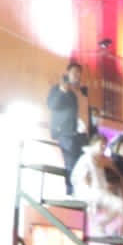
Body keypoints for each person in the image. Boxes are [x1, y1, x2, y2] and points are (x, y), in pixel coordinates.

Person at [46, 62, 91, 192]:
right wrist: (63, 90)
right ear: (68, 73)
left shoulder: (83, 92)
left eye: (79, 72)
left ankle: (81, 192)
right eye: (74, 72)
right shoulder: (59, 88)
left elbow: (85, 113)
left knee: (83, 165)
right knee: (71, 163)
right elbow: (52, 105)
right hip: (67, 132)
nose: (77, 75)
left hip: (83, 134)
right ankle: (71, 192)